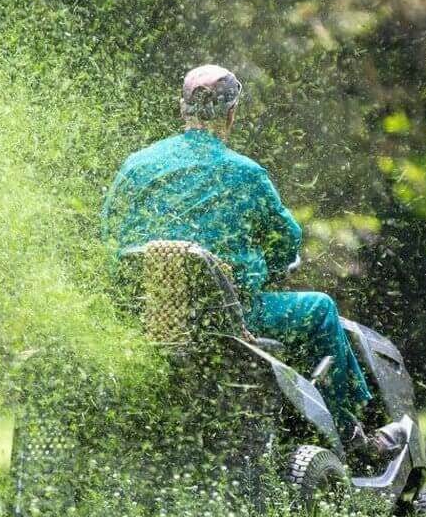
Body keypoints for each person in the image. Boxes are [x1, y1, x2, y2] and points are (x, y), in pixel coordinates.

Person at [101, 63, 387, 460]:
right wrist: (266, 266)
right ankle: (350, 434)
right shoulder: (247, 175)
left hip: (144, 317)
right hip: (229, 322)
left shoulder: (136, 166)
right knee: (320, 310)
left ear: (182, 109)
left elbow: (109, 234)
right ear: (232, 112)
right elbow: (286, 242)